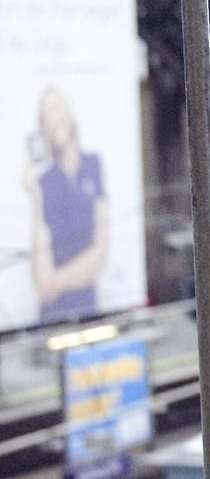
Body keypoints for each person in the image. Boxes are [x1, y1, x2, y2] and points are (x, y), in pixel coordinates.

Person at [24, 86, 111, 320]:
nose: (53, 119)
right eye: (46, 116)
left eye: (56, 108)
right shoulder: (43, 182)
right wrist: (36, 199)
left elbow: (100, 254)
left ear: (69, 113)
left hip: (90, 311)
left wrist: (56, 281)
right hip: (53, 317)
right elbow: (41, 280)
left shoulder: (93, 165)